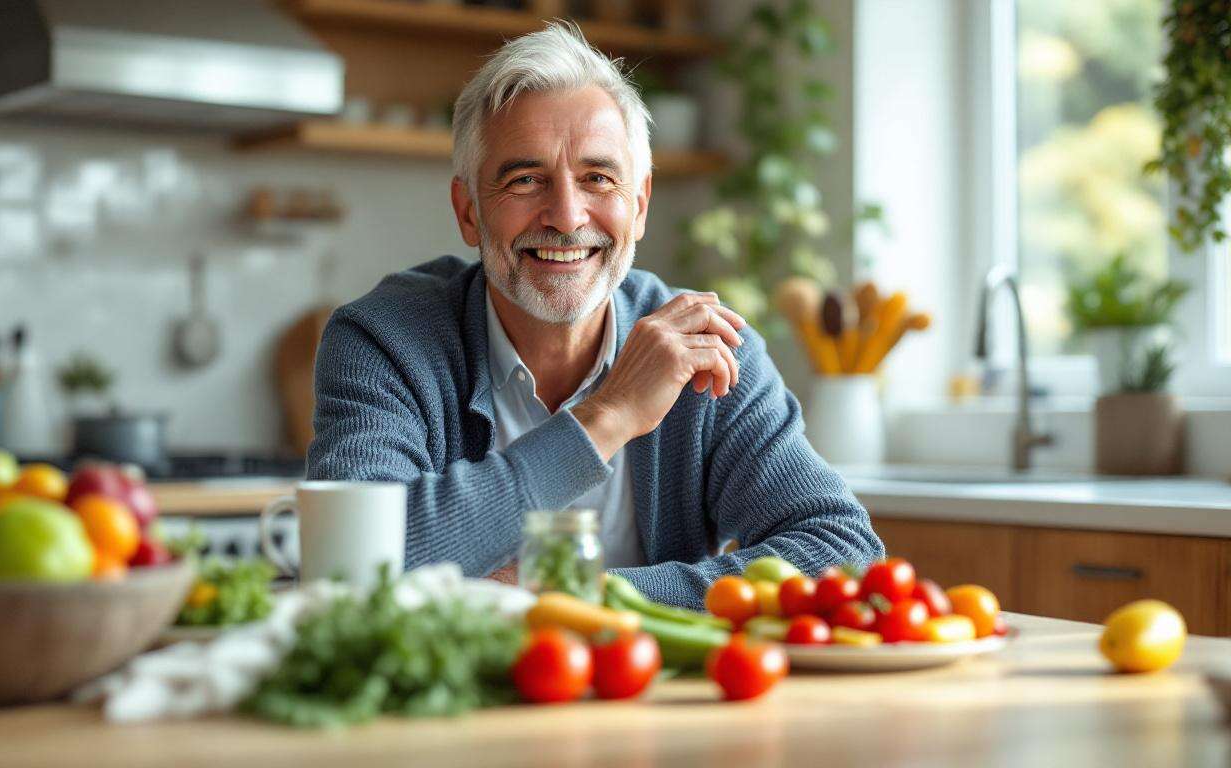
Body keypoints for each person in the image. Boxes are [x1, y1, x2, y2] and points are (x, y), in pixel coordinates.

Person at [307, 23, 882, 607]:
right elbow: (353, 561)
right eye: (525, 180)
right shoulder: (384, 339)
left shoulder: (707, 345)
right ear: (469, 212)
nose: (565, 214)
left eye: (598, 178)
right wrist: (607, 416)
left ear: (639, 206)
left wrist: (581, 595)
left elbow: (843, 551)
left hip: (656, 694)